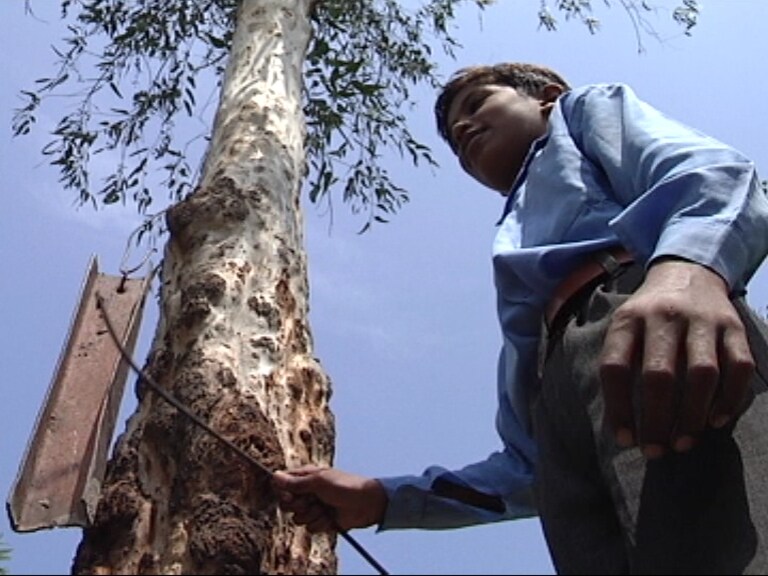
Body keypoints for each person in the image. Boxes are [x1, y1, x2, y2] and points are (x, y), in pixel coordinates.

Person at [272, 62, 768, 574]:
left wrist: (688, 271)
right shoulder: (524, 289)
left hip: (645, 313)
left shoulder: (581, 114)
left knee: (723, 546)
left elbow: (714, 173)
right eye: (452, 137)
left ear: (547, 98)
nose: (462, 129)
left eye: (477, 103)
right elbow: (525, 467)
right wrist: (383, 499)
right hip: (561, 403)